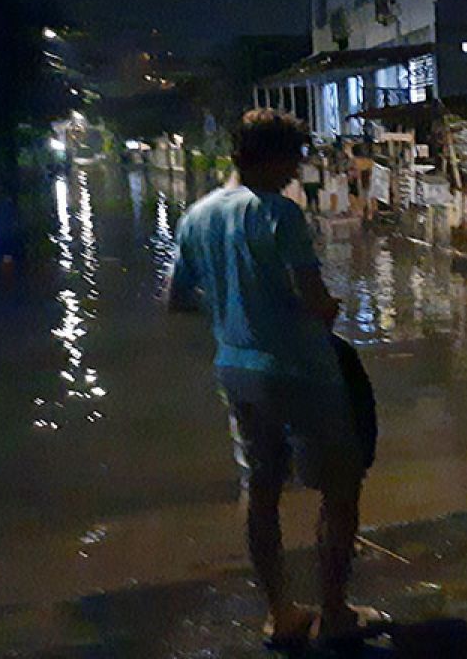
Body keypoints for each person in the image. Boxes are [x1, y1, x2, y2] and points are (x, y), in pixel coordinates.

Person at [167, 109, 377, 645]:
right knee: (340, 486)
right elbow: (313, 298)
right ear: (276, 158)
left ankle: (279, 613)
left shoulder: (196, 216)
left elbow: (176, 299)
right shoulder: (279, 213)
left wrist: (233, 306)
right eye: (294, 159)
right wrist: (328, 307)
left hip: (235, 369)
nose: (295, 171)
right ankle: (333, 614)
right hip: (300, 370)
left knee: (259, 487)